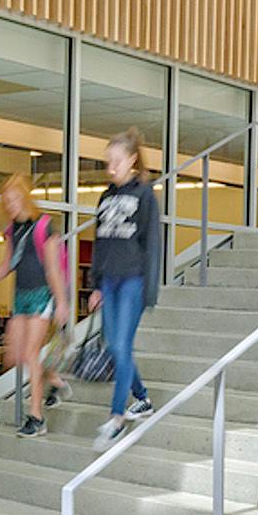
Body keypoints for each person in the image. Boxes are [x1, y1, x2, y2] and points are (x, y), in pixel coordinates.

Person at [0, 174, 73, 437]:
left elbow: (52, 269)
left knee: (29, 354)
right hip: (20, 297)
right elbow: (6, 266)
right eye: (7, 202)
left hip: (41, 295)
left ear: (25, 197)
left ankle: (36, 417)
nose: (11, 205)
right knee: (14, 356)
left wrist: (62, 303)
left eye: (15, 199)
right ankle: (56, 382)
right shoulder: (13, 230)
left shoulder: (44, 226)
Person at [86, 128, 161, 451]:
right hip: (109, 281)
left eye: (116, 161)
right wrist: (95, 285)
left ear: (131, 160)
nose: (110, 167)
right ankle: (142, 398)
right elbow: (100, 243)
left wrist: (150, 291)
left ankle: (117, 417)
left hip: (133, 280)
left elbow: (152, 245)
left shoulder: (144, 195)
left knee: (119, 347)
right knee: (118, 348)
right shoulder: (105, 197)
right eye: (107, 162)